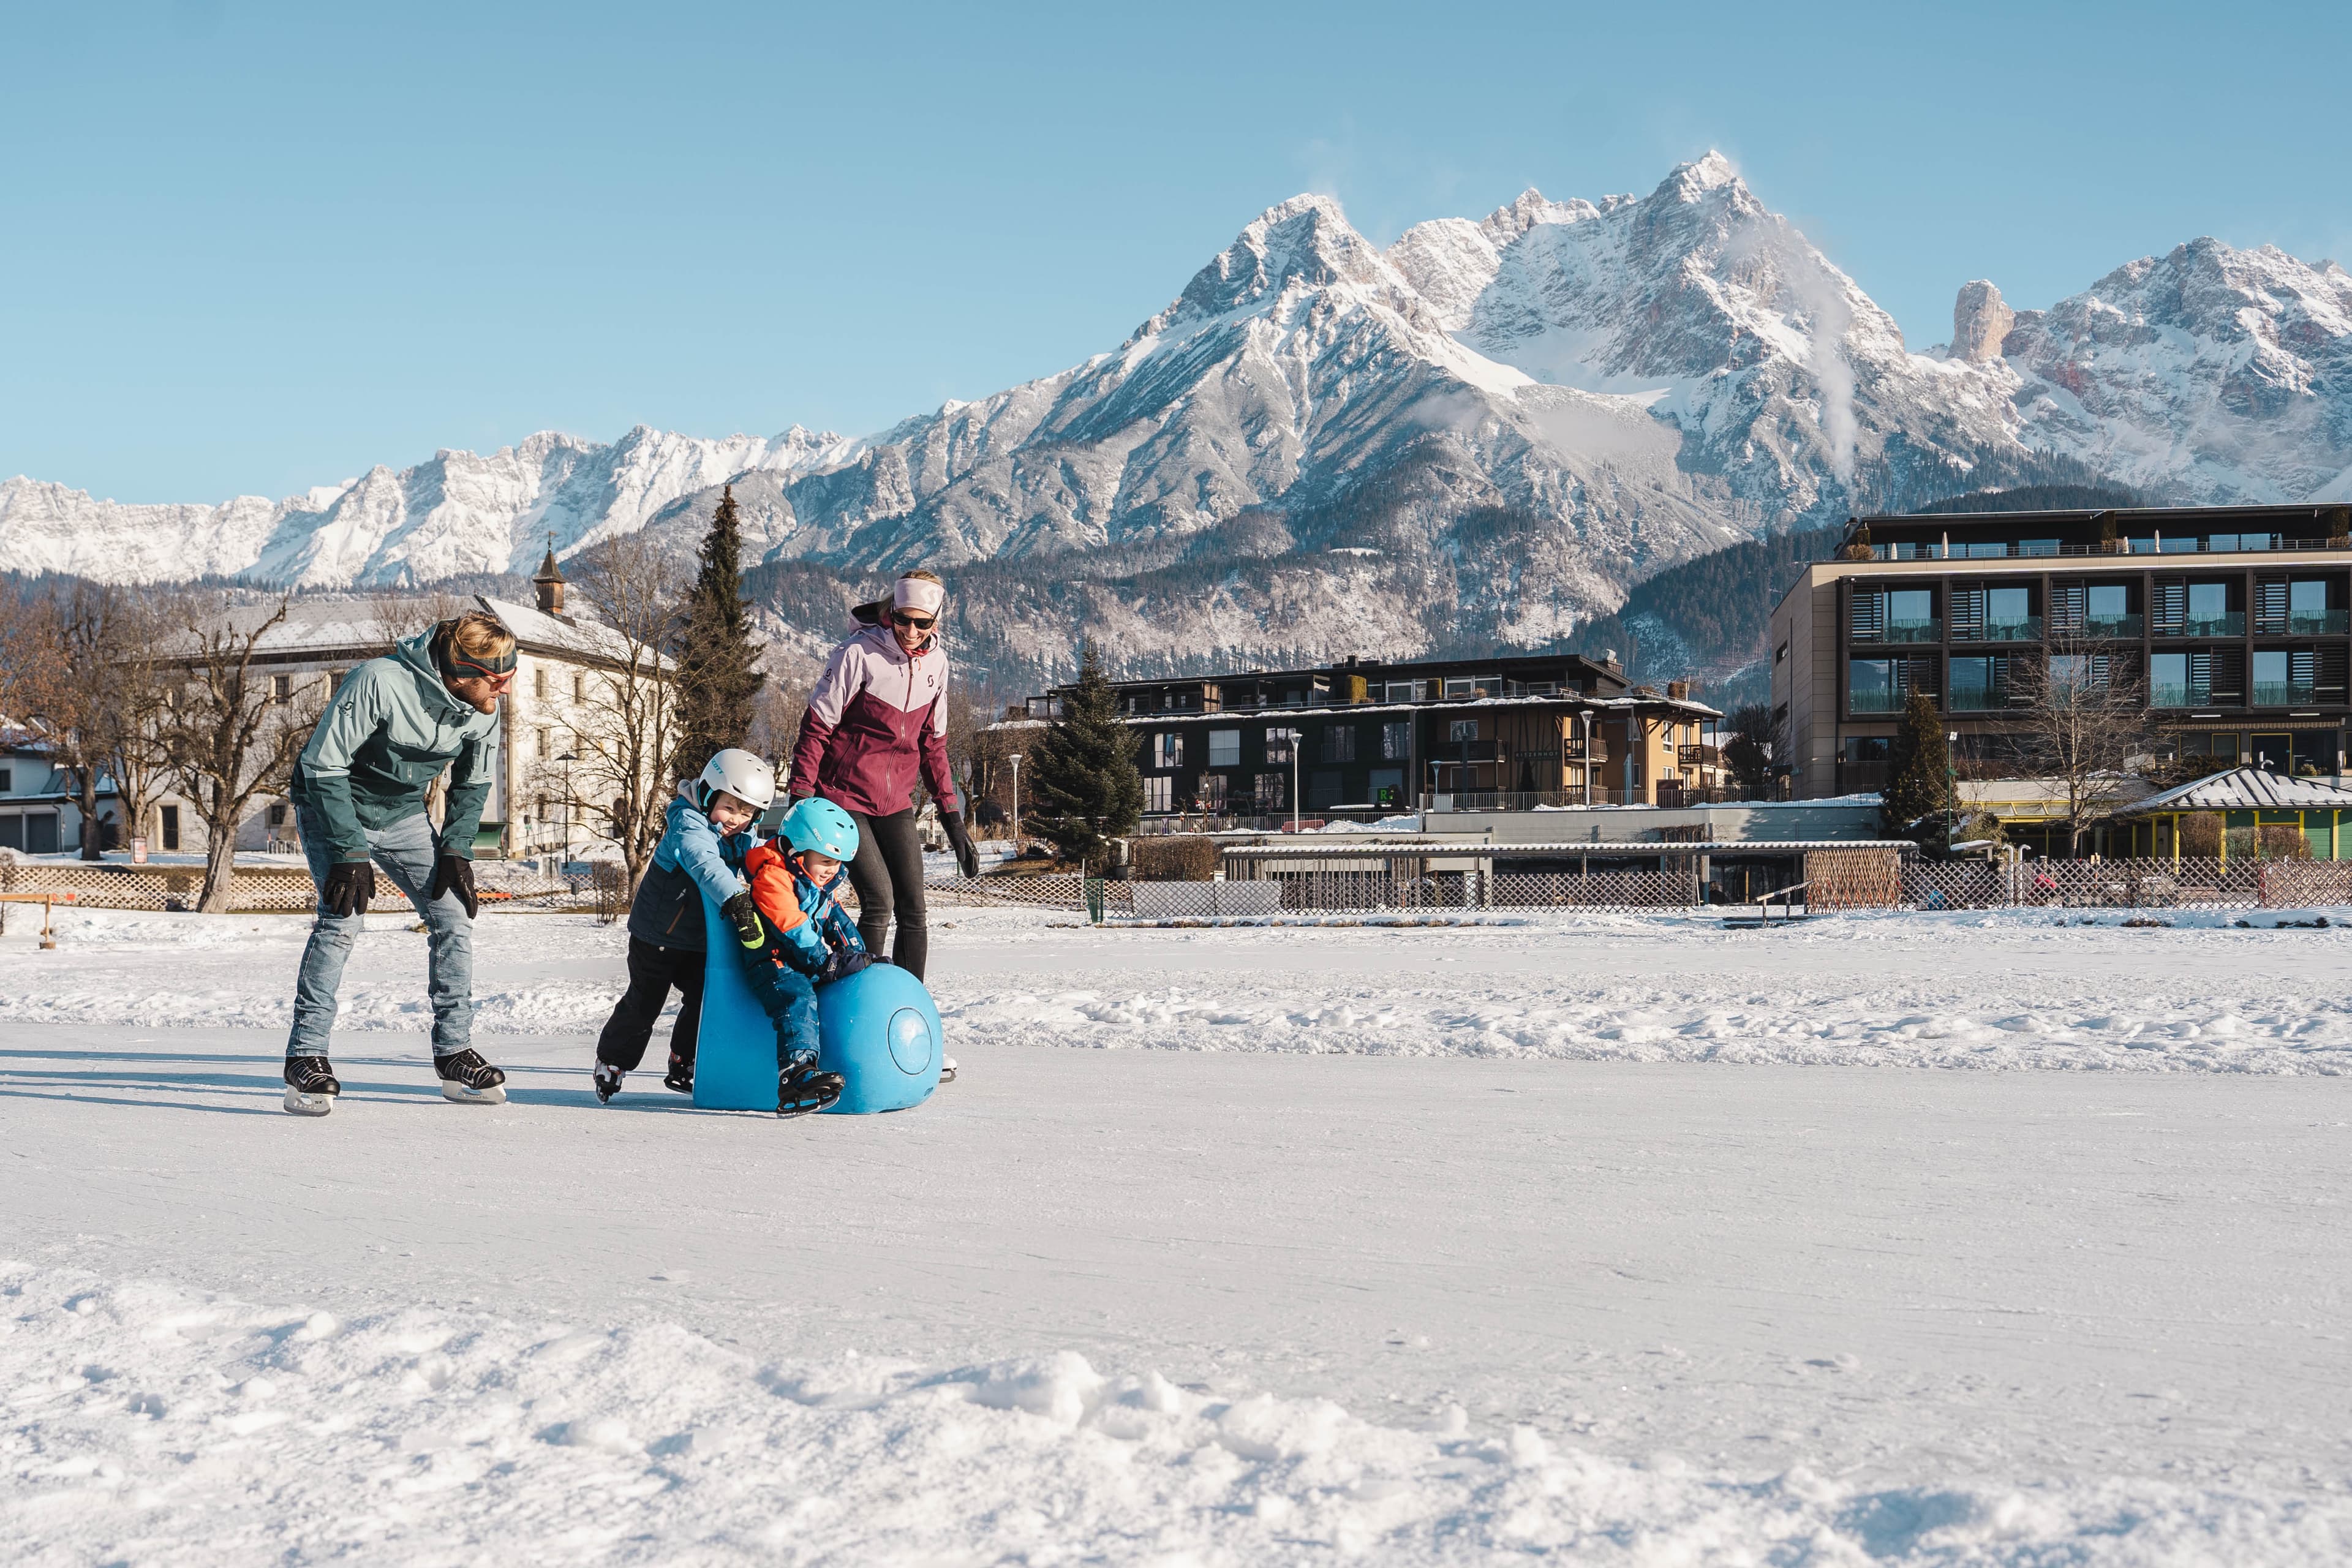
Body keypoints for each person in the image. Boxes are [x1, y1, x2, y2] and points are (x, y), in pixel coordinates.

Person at [281, 609, 517, 1115]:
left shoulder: (484, 708)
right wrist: (349, 851)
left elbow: (473, 783)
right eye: (498, 681)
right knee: (342, 920)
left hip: (404, 812)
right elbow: (324, 765)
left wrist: (456, 849)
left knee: (454, 917)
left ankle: (454, 1052)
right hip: (332, 801)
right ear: (462, 672)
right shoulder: (379, 682)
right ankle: (306, 1056)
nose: (505, 691)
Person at [786, 569, 979, 981]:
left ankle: (908, 999)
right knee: (880, 899)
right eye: (902, 618)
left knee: (914, 908)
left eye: (921, 623)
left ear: (935, 623)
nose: (910, 630)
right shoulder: (858, 654)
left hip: (895, 803)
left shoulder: (938, 666)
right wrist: (801, 798)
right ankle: (863, 992)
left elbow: (934, 747)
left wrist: (953, 820)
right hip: (843, 797)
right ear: (890, 612)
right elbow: (816, 728)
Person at [590, 748, 773, 1104]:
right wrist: (738, 901)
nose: (737, 819)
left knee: (705, 1000)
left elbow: (754, 855)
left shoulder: (733, 835)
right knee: (646, 1002)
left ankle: (684, 1061)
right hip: (656, 936)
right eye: (730, 807)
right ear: (706, 794)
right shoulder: (688, 823)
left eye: (748, 813)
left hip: (697, 941)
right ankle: (612, 1061)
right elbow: (705, 863)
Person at [722, 797, 868, 1116]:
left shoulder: (816, 883)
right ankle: (796, 1073)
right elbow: (793, 926)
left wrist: (859, 957)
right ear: (796, 850)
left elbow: (836, 919)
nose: (834, 870)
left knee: (830, 988)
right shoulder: (773, 877)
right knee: (797, 998)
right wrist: (824, 961)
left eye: (838, 863)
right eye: (827, 860)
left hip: (798, 961)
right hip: (773, 963)